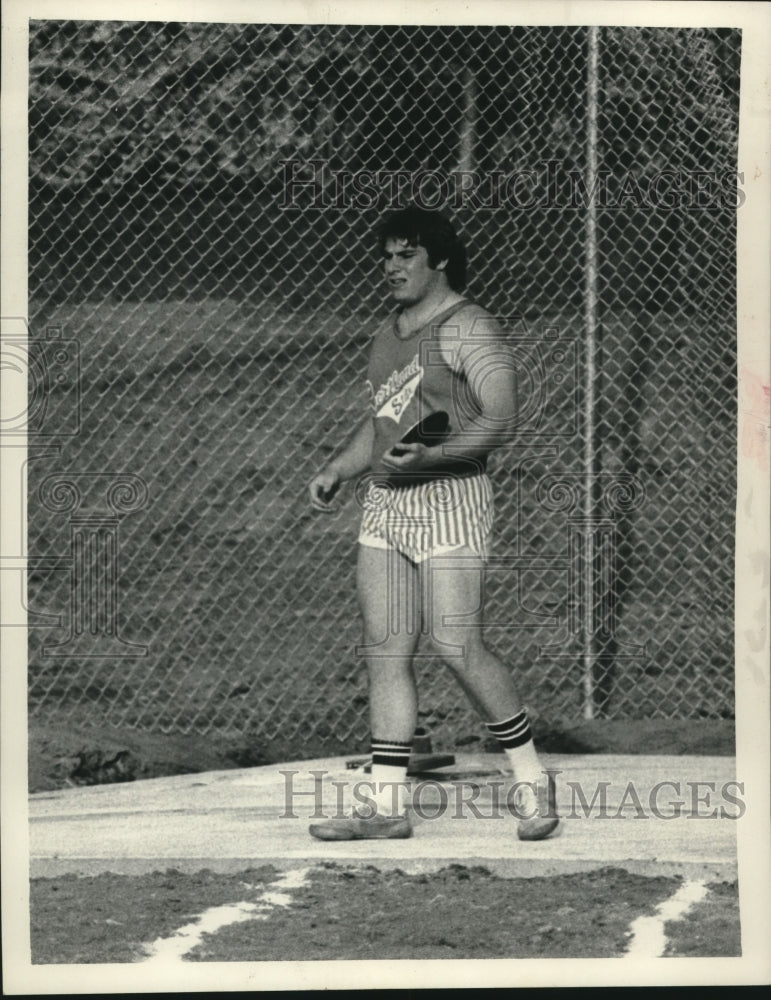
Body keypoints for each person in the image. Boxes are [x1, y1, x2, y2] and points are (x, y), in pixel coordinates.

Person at [307, 205, 558, 841]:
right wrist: (340, 469)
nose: (391, 267)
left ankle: (531, 781)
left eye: (405, 255)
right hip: (387, 503)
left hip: (451, 496)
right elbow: (383, 421)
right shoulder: (389, 332)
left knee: (455, 645)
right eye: (386, 256)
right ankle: (385, 805)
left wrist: (433, 455)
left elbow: (500, 418)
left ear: (437, 260)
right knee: (386, 648)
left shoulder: (470, 326)